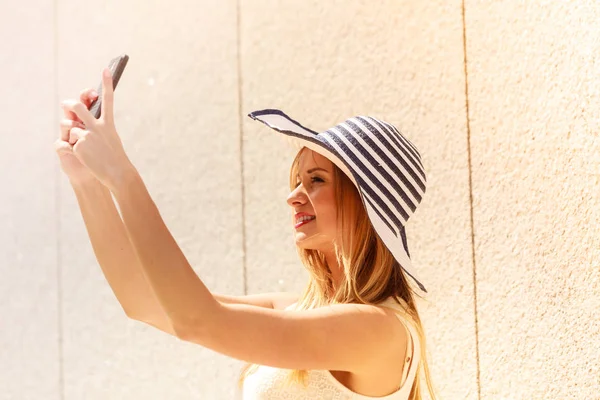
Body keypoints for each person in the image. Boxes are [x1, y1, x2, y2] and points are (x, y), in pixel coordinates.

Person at [55, 70, 436, 400]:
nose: (293, 197)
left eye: (316, 180)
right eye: (297, 180)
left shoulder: (376, 329)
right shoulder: (297, 310)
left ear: (366, 204)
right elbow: (146, 302)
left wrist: (122, 175)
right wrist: (86, 180)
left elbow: (196, 320)